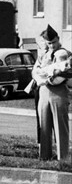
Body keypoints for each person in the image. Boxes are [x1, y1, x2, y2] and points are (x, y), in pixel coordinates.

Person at [31, 24, 71, 161]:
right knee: (44, 126)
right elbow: (35, 72)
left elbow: (64, 74)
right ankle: (45, 156)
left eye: (54, 42)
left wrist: (47, 76)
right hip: (43, 93)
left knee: (60, 127)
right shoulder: (43, 54)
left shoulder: (65, 54)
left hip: (58, 93)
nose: (52, 45)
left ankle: (63, 158)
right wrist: (41, 76)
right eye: (49, 43)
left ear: (58, 39)